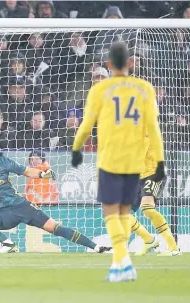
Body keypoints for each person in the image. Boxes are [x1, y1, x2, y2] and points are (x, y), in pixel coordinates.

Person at [71, 42, 166, 282]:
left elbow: (86, 124)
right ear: (131, 63)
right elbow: (154, 128)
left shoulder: (100, 90)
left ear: (109, 64)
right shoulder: (144, 88)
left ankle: (120, 263)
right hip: (135, 161)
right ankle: (123, 264)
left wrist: (76, 148)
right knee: (125, 212)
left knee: (112, 212)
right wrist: (160, 160)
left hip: (111, 158)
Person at [0, 135, 111, 254]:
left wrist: (42, 174)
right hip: (2, 215)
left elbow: (26, 171)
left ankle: (97, 247)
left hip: (22, 206)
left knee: (55, 228)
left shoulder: (2, 162)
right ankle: (7, 243)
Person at [130, 135, 180, 256]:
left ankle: (173, 248)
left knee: (147, 208)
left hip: (154, 173)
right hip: (139, 176)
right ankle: (149, 240)